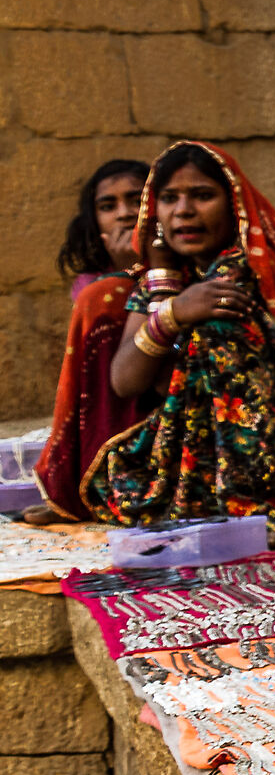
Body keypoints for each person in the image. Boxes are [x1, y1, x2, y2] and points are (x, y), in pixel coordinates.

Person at [78, 142, 275, 535]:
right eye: (169, 198)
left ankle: (252, 505)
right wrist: (171, 305)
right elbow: (126, 381)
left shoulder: (248, 273)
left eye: (202, 196)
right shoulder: (168, 275)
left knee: (219, 327)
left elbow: (168, 382)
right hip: (193, 448)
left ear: (234, 206)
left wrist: (179, 312)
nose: (183, 211)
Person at [26, 158, 149, 523]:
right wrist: (127, 271)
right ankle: (88, 480)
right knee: (105, 294)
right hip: (124, 392)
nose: (124, 214)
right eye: (108, 206)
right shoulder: (93, 286)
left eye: (137, 200)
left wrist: (143, 270)